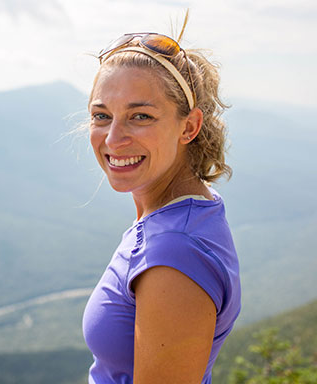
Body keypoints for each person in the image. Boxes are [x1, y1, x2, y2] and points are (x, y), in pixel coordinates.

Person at [82, 19, 241, 384]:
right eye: (101, 116)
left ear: (189, 127)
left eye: (141, 116)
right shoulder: (188, 209)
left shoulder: (174, 254)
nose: (113, 139)